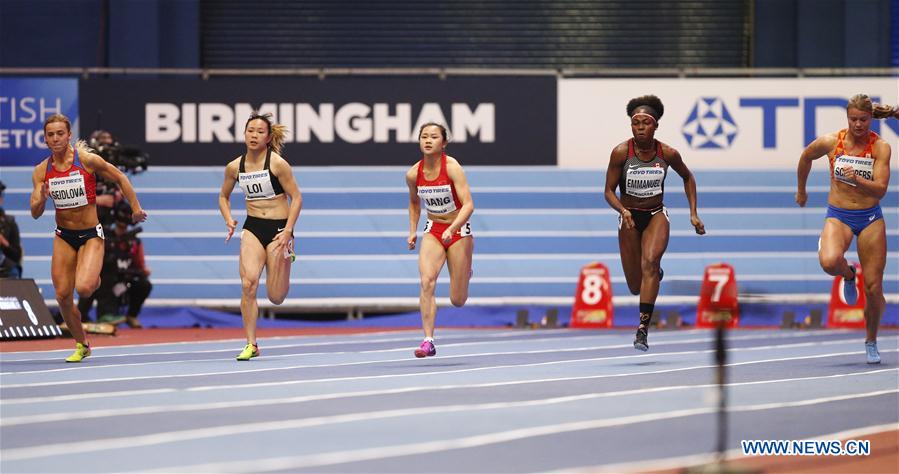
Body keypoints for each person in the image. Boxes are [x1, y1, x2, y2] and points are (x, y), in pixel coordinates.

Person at [30, 114, 147, 362]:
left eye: (60, 133)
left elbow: (120, 177)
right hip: (64, 236)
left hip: (91, 234)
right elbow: (35, 213)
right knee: (62, 295)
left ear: (69, 135)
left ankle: (93, 276)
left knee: (84, 288)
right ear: (45, 139)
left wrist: (135, 209)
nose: (55, 139)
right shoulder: (42, 171)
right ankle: (82, 343)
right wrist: (41, 197)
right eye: (50, 135)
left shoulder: (86, 160)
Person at [796, 94, 895, 364]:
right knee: (829, 262)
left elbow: (882, 189)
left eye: (863, 120)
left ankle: (871, 340)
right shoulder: (832, 142)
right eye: (854, 119)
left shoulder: (881, 147)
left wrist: (858, 181)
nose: (859, 124)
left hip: (870, 217)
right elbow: (805, 157)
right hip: (838, 214)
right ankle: (849, 274)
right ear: (847, 118)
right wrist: (801, 191)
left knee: (874, 289)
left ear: (871, 118)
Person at [604, 95, 705, 352]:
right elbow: (608, 192)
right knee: (635, 285)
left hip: (655, 215)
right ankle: (654, 277)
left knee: (650, 262)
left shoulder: (667, 153)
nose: (639, 127)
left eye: (645, 123)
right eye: (635, 123)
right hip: (628, 218)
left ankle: (642, 329)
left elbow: (688, 177)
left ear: (655, 125)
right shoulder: (620, 153)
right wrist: (622, 210)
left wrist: (693, 213)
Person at [219, 112, 302, 361]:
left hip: (279, 230)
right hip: (253, 227)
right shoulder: (235, 167)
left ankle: (288, 258)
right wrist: (228, 218)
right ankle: (251, 343)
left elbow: (297, 198)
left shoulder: (277, 164)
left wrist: (288, 231)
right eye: (250, 131)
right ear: (244, 134)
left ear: (268, 137)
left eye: (260, 132)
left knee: (276, 297)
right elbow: (223, 196)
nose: (254, 135)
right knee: (249, 283)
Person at [405, 123, 475, 358]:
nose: (428, 140)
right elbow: (415, 203)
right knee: (427, 282)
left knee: (457, 299)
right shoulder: (413, 174)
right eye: (424, 136)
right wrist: (413, 230)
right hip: (433, 230)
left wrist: (453, 227)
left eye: (434, 137)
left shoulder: (453, 167)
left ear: (443, 143)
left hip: (458, 230)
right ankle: (428, 340)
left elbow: (468, 205)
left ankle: (464, 273)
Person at [0, 181, 24, 279]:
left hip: (5, 269)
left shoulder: (9, 223)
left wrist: (4, 243)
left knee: (13, 271)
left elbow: (17, 256)